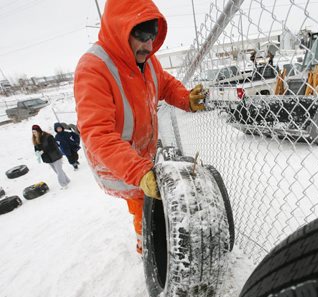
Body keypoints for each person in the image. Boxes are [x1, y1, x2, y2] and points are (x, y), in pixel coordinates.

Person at [74, 0, 205, 254]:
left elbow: (164, 84)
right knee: (142, 202)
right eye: (143, 36)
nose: (149, 45)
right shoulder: (93, 68)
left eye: (153, 36)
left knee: (151, 200)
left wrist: (185, 99)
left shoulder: (147, 60)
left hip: (142, 155)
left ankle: (154, 239)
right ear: (121, 29)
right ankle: (148, 249)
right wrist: (138, 171)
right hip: (116, 164)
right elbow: (97, 134)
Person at [32, 124, 71, 189]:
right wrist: (37, 153)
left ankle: (63, 184)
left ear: (39, 131)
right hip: (48, 159)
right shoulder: (36, 139)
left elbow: (54, 146)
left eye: (35, 132)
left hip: (56, 156)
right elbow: (36, 148)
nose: (34, 134)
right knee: (58, 171)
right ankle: (67, 180)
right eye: (33, 132)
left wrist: (43, 151)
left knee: (59, 172)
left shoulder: (48, 136)